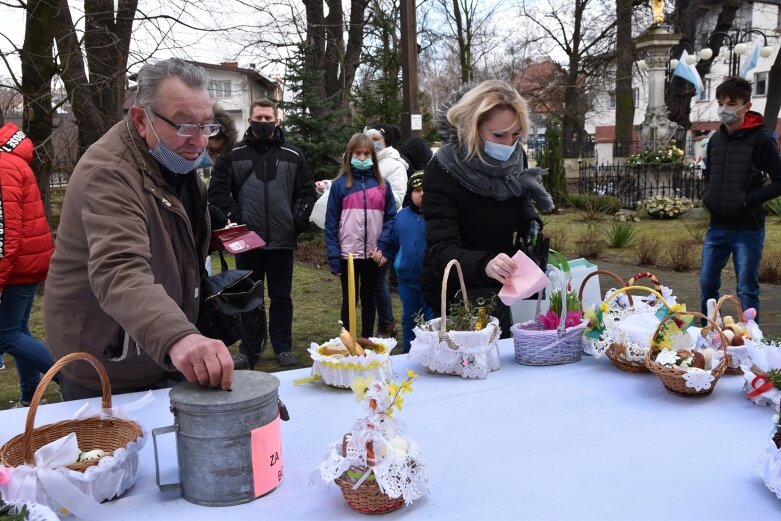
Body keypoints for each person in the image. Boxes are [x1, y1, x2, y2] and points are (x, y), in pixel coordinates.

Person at [44, 58, 234, 400]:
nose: (199, 141)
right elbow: (119, 269)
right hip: (107, 363)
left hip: (155, 350)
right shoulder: (108, 173)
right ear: (140, 119)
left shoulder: (175, 163)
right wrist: (178, 336)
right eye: (184, 125)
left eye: (207, 126)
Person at [422, 80, 554, 337]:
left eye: (516, 134)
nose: (508, 144)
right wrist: (485, 265)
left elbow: (518, 199)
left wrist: (530, 222)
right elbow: (440, 249)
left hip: (511, 284)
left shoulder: (516, 157)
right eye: (498, 135)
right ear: (473, 127)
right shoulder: (443, 169)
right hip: (464, 289)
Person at [208, 99, 316, 369]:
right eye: (259, 117)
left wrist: (297, 220)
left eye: (269, 118)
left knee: (282, 298)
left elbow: (306, 191)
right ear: (250, 120)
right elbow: (218, 192)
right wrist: (238, 217)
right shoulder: (234, 154)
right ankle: (249, 349)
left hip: (282, 240)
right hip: (247, 241)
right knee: (248, 298)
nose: (264, 122)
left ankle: (283, 347)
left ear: (277, 121)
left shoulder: (293, 155)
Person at [700, 76, 781, 323]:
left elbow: (779, 180)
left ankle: (749, 342)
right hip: (717, 226)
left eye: (731, 103)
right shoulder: (716, 140)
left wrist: (749, 200)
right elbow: (710, 173)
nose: (725, 108)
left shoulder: (761, 139)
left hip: (747, 228)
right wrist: (709, 196)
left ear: (746, 106)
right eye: (721, 102)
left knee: (746, 288)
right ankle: (708, 333)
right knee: (707, 284)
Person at [0, 113, 56, 407]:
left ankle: (72, 379)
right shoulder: (10, 159)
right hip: (27, 262)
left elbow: (5, 232)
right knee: (17, 331)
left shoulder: (2, 164)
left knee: (5, 335)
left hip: (18, 266)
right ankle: (29, 398)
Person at [325, 133, 396, 339]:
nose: (363, 158)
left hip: (373, 254)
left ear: (373, 157)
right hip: (348, 255)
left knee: (369, 298)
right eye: (358, 153)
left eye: (367, 154)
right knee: (349, 299)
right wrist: (333, 256)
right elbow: (330, 224)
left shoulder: (383, 185)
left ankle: (365, 338)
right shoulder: (340, 185)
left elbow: (391, 218)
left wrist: (383, 247)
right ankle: (347, 339)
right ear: (349, 155)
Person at [364, 123, 406, 338]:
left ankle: (387, 325)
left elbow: (397, 198)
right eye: (368, 137)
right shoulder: (366, 161)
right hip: (364, 228)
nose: (371, 142)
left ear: (385, 141)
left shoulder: (394, 165)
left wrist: (371, 196)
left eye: (375, 138)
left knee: (378, 279)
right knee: (370, 280)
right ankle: (377, 325)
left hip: (385, 229)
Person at [388, 172, 433, 352]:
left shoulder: (437, 216)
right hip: (406, 280)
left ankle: (431, 352)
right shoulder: (401, 217)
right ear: (410, 193)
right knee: (409, 318)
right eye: (417, 190)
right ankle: (408, 351)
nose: (422, 194)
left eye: (426, 190)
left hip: (430, 279)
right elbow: (393, 243)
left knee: (431, 320)